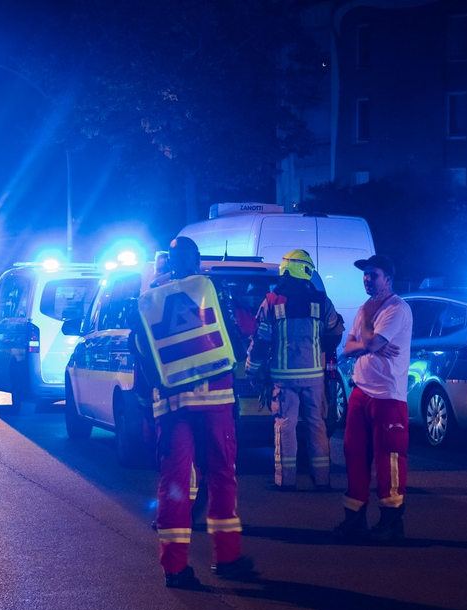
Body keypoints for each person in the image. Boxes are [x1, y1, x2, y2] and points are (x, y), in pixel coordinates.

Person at [131, 236, 252, 588]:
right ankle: (227, 558)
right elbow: (239, 332)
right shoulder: (213, 289)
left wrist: (145, 405)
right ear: (197, 259)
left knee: (174, 484)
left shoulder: (150, 300)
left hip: (170, 407)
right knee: (221, 477)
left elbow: (140, 353)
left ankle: (174, 568)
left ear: (168, 262)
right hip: (215, 401)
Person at [246, 249, 345, 491]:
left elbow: (261, 341)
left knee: (285, 425)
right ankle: (322, 480)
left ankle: (285, 480)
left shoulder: (271, 301)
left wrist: (252, 369)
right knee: (317, 425)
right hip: (314, 378)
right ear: (306, 270)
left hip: (283, 378)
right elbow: (336, 333)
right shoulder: (322, 301)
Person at [333, 254, 412, 542]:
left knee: (389, 457)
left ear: (387, 278)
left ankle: (391, 522)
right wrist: (366, 345)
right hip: (361, 391)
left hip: (387, 396)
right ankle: (354, 520)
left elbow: (372, 342)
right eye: (365, 274)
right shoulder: (365, 308)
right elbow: (349, 347)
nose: (367, 278)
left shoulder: (396, 309)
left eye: (373, 274)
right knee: (355, 455)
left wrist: (368, 344)